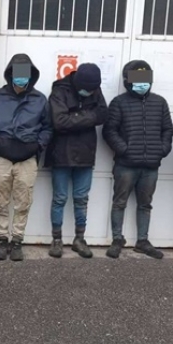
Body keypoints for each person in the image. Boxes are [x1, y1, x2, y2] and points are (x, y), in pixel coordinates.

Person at [0, 54, 52, 262]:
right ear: (10, 74)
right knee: (0, 201)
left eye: (25, 73)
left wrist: (37, 145)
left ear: (31, 75)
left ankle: (17, 241)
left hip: (27, 159)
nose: (21, 77)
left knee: (23, 202)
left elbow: (48, 128)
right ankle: (2, 240)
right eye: (18, 73)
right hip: (1, 158)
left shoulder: (39, 100)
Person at [102, 60, 173, 259]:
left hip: (150, 166)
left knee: (145, 204)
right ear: (128, 80)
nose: (142, 83)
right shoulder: (119, 102)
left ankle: (142, 241)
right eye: (137, 78)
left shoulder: (160, 102)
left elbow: (167, 130)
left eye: (145, 78)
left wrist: (162, 149)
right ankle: (117, 239)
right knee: (119, 203)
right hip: (125, 165)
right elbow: (109, 131)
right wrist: (124, 149)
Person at [46, 63, 108, 259]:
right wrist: (89, 117)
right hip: (61, 153)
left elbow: (103, 114)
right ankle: (56, 240)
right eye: (86, 89)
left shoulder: (95, 88)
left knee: (81, 199)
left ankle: (79, 239)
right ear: (77, 82)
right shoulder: (60, 90)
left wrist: (74, 116)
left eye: (92, 90)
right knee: (59, 198)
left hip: (86, 154)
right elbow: (59, 121)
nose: (89, 92)